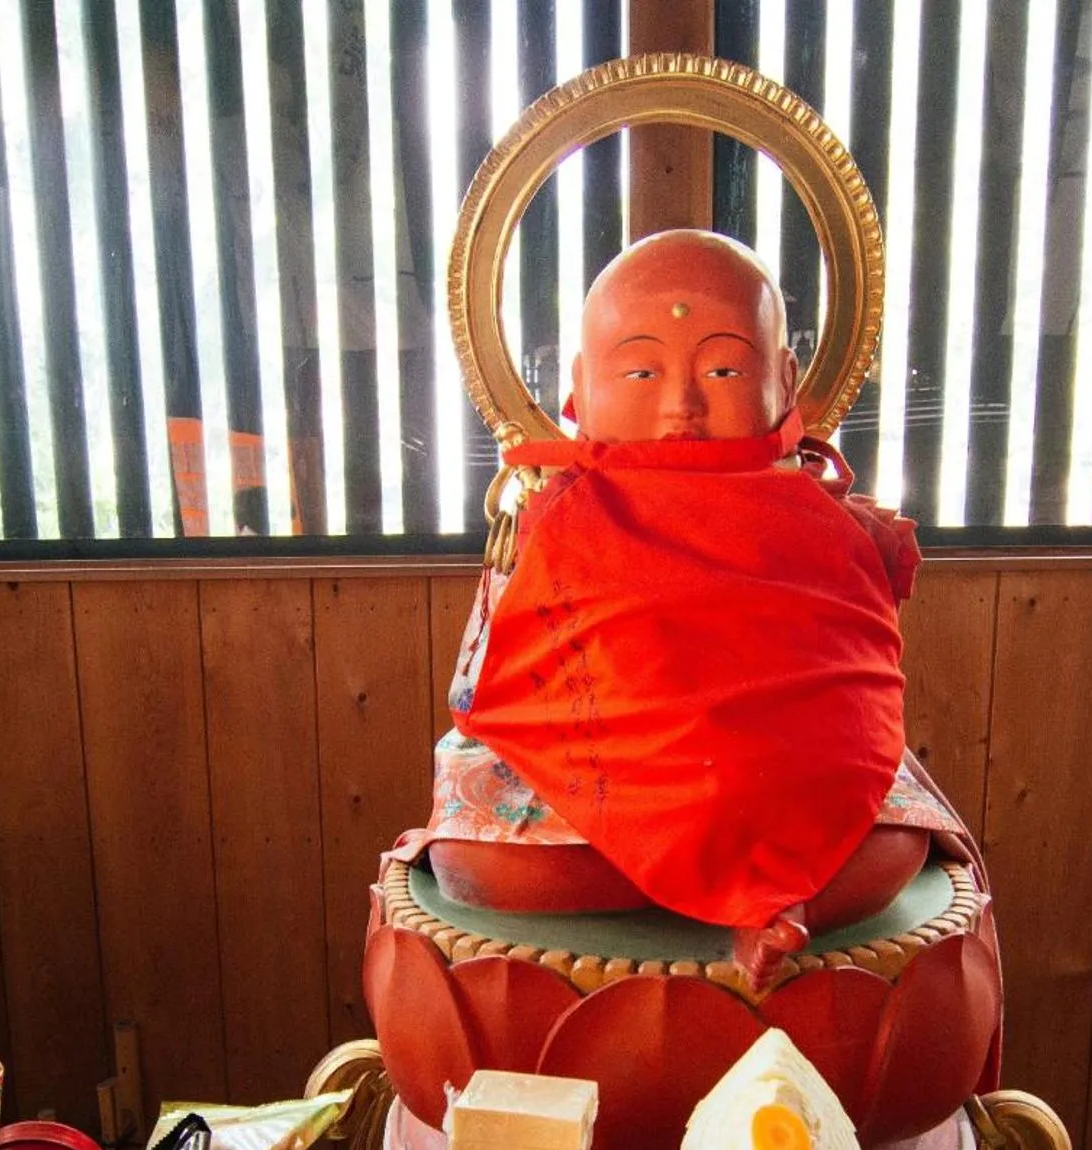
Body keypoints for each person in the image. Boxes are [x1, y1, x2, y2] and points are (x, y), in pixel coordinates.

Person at [405, 230, 967, 987]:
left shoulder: (824, 517)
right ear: (580, 383)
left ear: (786, 379)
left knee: (890, 851)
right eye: (640, 369)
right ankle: (738, 890)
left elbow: (851, 687)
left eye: (724, 366)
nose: (682, 403)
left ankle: (769, 892)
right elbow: (492, 690)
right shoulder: (557, 512)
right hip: (594, 779)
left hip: (783, 778)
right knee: (476, 862)